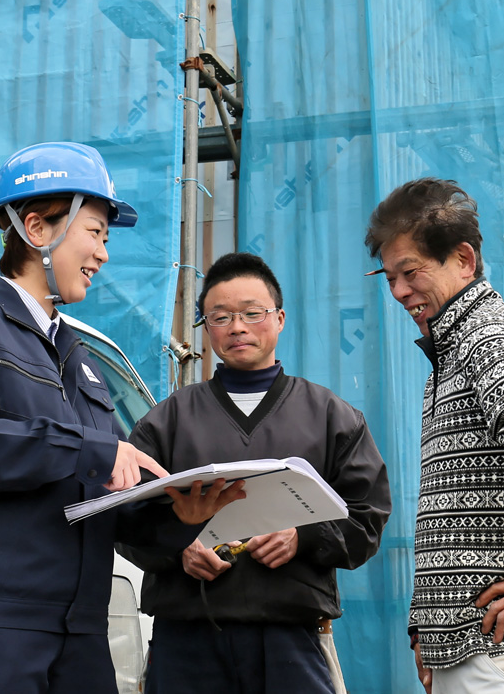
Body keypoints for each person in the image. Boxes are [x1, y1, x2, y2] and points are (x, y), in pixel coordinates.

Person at [0, 142, 245, 694]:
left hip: (79, 636)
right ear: (37, 228)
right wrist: (86, 449)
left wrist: (181, 515)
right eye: (95, 232)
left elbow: (99, 500)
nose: (104, 253)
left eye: (105, 238)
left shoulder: (79, 361)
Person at [118, 252, 391, 693]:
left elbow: (368, 517)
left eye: (252, 313)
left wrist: (302, 537)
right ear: (206, 329)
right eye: (220, 317)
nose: (237, 327)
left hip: (293, 638)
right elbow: (125, 519)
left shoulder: (331, 416)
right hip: (186, 639)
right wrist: (178, 547)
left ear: (279, 318)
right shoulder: (167, 421)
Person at [364, 178, 504, 694]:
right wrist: (431, 623)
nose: (399, 291)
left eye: (410, 272)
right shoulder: (457, 346)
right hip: (489, 652)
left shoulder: (487, 335)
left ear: (464, 260)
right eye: (389, 277)